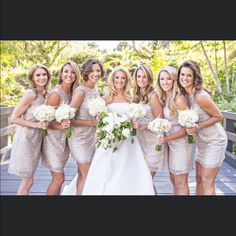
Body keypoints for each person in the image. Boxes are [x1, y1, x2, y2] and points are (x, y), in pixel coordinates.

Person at [61, 65, 155, 195]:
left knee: (129, 171)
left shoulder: (132, 98)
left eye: (123, 78)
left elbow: (137, 118)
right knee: (106, 173)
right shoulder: (105, 100)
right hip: (109, 141)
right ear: (112, 79)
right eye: (117, 77)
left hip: (129, 142)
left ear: (127, 80)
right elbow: (99, 122)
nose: (120, 81)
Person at [177, 60, 228, 195]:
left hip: (215, 140)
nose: (184, 78)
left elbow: (219, 116)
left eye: (189, 75)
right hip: (202, 142)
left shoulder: (200, 97)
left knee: (207, 180)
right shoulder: (184, 96)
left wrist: (197, 126)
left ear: (195, 77)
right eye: (182, 74)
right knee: (199, 179)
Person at [8, 64, 51, 195]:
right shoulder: (30, 94)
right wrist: (36, 125)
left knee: (28, 181)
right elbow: (14, 118)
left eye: (44, 74)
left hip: (36, 141)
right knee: (27, 181)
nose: (41, 77)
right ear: (32, 78)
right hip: (26, 140)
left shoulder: (45, 94)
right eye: (38, 75)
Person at [65, 58, 105, 195]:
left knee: (82, 175)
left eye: (98, 70)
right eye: (92, 70)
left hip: (91, 138)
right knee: (89, 176)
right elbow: (68, 119)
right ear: (86, 72)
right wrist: (90, 123)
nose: (95, 73)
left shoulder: (95, 88)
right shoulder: (81, 91)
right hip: (79, 139)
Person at [41, 60, 80, 195]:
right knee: (59, 178)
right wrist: (60, 125)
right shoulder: (55, 94)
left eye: (73, 72)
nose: (69, 75)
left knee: (59, 179)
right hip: (53, 142)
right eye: (66, 72)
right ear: (61, 75)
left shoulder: (73, 92)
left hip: (65, 142)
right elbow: (44, 122)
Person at [156, 66, 193, 195]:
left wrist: (165, 139)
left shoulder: (179, 99)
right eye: (162, 79)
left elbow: (186, 129)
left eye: (169, 79)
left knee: (181, 182)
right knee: (173, 179)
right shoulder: (164, 98)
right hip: (171, 145)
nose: (165, 82)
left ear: (174, 81)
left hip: (181, 144)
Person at [132, 64, 167, 194]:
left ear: (149, 78)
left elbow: (160, 120)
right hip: (140, 142)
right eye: (139, 76)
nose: (141, 79)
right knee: (144, 181)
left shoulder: (153, 95)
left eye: (144, 77)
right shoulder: (136, 95)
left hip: (153, 142)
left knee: (146, 180)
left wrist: (143, 126)